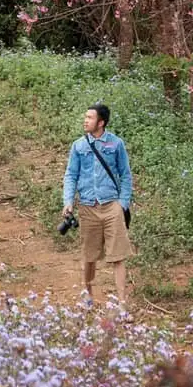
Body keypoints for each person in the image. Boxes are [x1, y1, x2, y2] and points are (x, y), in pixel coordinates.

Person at [61, 102, 134, 306]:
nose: (85, 121)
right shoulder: (78, 146)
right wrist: (68, 202)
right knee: (89, 255)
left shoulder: (116, 144)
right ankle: (88, 296)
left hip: (112, 206)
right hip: (87, 206)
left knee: (118, 255)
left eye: (90, 118)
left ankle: (122, 303)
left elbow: (126, 175)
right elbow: (71, 175)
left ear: (101, 122)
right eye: (85, 117)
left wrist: (123, 204)